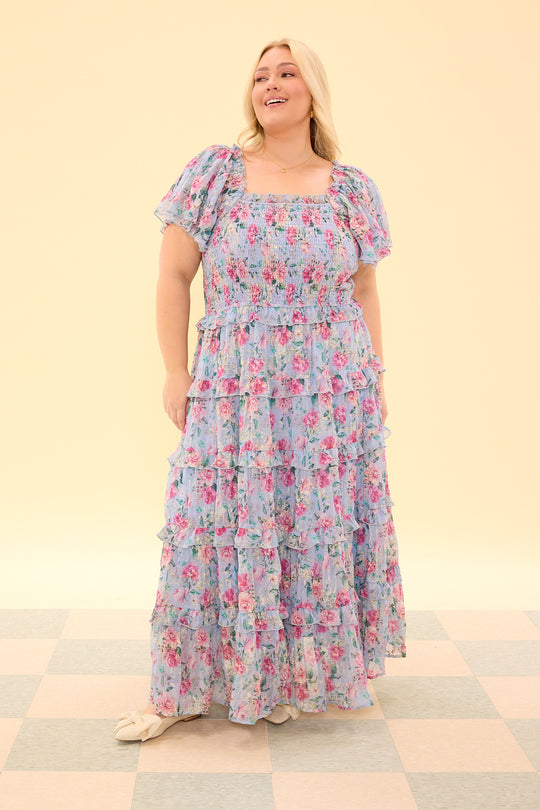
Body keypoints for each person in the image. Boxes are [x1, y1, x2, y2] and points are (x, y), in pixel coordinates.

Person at [114, 36, 406, 743]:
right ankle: (182, 689)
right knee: (210, 523)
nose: (271, 84)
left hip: (329, 386)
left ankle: (283, 678)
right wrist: (176, 370)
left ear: (314, 90)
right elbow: (173, 275)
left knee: (310, 527)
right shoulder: (217, 172)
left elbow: (364, 287)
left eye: (287, 73)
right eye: (260, 76)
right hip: (236, 381)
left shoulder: (350, 187)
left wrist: (374, 375)